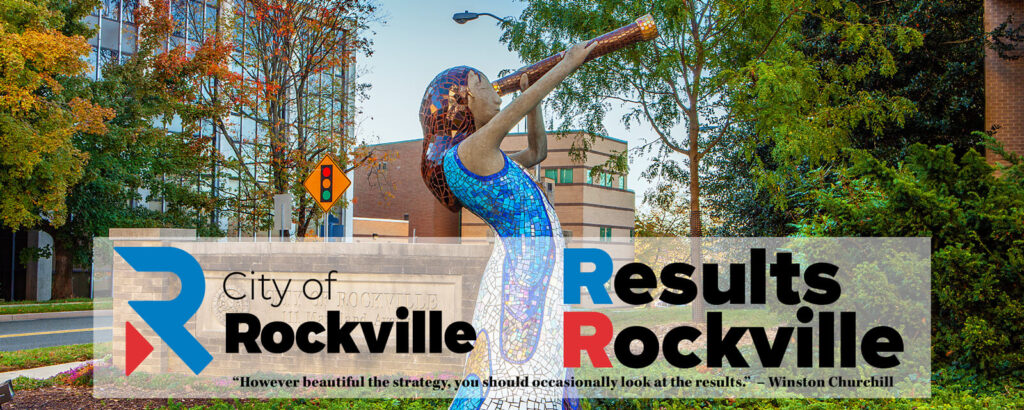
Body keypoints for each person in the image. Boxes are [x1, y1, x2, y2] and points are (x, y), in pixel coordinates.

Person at [417, 41, 597, 410]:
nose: (495, 91)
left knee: (545, 349)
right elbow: (515, 109)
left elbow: (537, 152)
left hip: (534, 264)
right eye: (483, 84)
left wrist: (538, 102)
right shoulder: (468, 153)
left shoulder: (486, 157)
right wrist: (566, 65)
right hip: (523, 268)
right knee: (523, 357)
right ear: (462, 102)